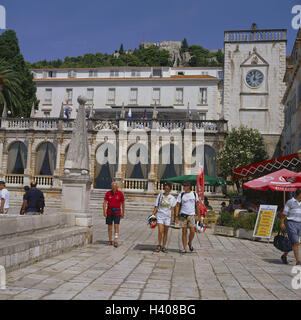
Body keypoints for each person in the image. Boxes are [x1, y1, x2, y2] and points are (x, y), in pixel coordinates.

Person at [175, 181, 201, 253]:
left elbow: (197, 206)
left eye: (185, 186)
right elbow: (177, 205)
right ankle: (184, 248)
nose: (183, 187)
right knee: (184, 232)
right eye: (183, 186)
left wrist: (199, 216)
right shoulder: (181, 194)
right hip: (183, 215)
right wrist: (176, 216)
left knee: (192, 231)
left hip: (192, 215)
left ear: (189, 186)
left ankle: (189, 242)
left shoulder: (194, 194)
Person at [152, 182, 177, 253]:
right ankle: (159, 245)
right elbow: (156, 206)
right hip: (160, 215)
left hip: (167, 217)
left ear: (170, 189)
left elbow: (172, 208)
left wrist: (173, 217)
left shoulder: (172, 198)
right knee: (160, 231)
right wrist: (153, 215)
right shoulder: (160, 196)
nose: (166, 190)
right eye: (165, 189)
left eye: (168, 189)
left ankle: (164, 246)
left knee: (165, 232)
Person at [280, 189, 301, 265]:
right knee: (296, 242)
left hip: (299, 224)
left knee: (293, 242)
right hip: (291, 224)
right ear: (299, 194)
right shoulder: (290, 202)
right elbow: (284, 213)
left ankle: (284, 255)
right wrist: (282, 223)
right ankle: (298, 261)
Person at [103, 182, 125, 248]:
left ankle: (116, 239)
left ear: (117, 187)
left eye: (115, 187)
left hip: (117, 212)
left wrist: (123, 212)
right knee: (109, 226)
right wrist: (104, 211)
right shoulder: (108, 193)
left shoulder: (120, 194)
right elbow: (104, 203)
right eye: (113, 187)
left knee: (116, 225)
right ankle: (110, 240)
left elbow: (123, 203)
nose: (114, 188)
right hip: (109, 211)